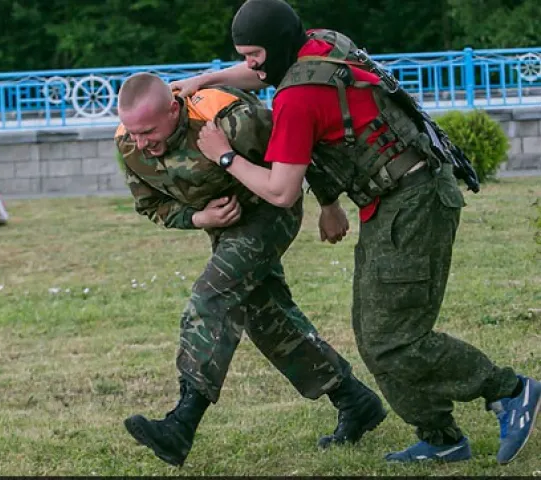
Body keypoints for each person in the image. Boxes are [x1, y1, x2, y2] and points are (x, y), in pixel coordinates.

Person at [174, 0, 540, 464]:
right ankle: (441, 436)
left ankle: (509, 391)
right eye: (244, 56)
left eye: (253, 55)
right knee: (375, 334)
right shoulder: (323, 44)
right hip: (398, 196)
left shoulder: (295, 101)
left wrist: (225, 154)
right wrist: (207, 80)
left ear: (277, 47)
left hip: (414, 202)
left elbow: (282, 191)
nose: (249, 66)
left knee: (393, 337)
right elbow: (268, 72)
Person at [114, 72, 386, 467]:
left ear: (174, 109)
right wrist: (198, 218)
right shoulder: (128, 143)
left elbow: (299, 146)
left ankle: (181, 424)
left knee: (212, 294)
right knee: (266, 316)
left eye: (149, 132)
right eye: (135, 133)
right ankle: (353, 399)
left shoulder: (229, 119)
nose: (141, 143)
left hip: (269, 210)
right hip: (224, 227)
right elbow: (151, 205)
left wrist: (329, 204)